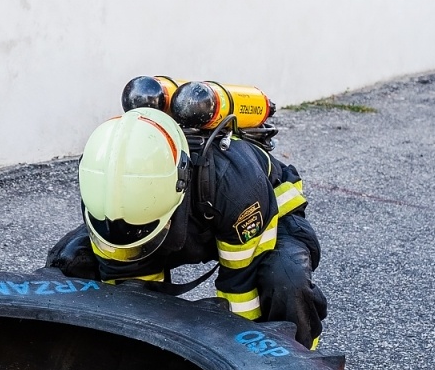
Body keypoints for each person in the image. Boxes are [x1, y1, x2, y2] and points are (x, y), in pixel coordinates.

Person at [45, 107, 328, 348]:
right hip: (170, 220)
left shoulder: (235, 186)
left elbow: (240, 288)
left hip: (255, 219)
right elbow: (128, 288)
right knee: (71, 260)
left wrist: (240, 359)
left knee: (285, 278)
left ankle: (300, 365)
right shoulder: (104, 186)